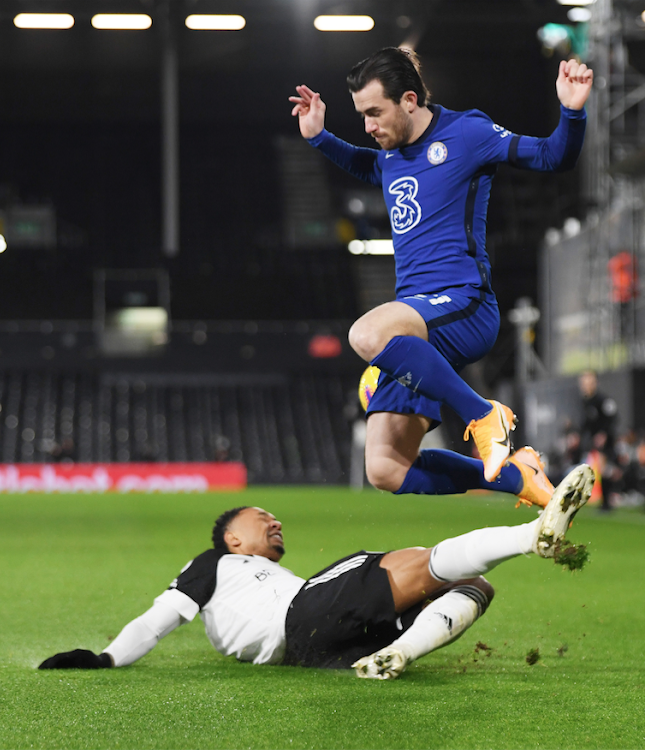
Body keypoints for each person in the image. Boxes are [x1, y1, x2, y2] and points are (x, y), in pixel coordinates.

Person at [289, 48, 593, 509]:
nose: (368, 126)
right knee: (385, 468)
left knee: (366, 333)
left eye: (375, 113)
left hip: (464, 306)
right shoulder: (390, 155)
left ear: (409, 100)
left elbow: (553, 157)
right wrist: (319, 136)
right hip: (417, 328)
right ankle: (518, 479)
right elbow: (370, 165)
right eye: (362, 116)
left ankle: (483, 414)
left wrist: (571, 111)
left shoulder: (467, 133)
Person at [39, 464, 594, 681]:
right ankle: (532, 537)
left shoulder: (256, 579)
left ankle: (397, 654)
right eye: (262, 518)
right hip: (300, 618)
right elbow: (158, 619)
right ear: (233, 539)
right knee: (404, 560)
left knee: (476, 584)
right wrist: (107, 656)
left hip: (315, 652)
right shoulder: (213, 564)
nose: (274, 521)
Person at [579, 370, 618, 511]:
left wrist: (603, 434)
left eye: (588, 382)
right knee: (599, 470)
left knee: (605, 469)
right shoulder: (585, 401)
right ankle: (604, 500)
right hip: (594, 441)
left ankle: (607, 502)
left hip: (606, 442)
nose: (585, 386)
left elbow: (612, 418)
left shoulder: (602, 400)